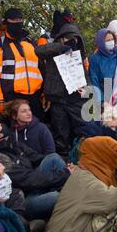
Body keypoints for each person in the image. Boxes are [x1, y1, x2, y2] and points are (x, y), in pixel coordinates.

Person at [35, 136, 117, 232]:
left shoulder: (89, 173)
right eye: (113, 153)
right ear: (101, 155)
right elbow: (109, 199)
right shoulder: (85, 180)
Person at [0, 118, 70, 221]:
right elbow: (28, 179)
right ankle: (71, 194)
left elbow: (36, 157)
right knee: (58, 197)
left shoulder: (11, 144)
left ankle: (71, 188)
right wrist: (65, 174)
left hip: (34, 186)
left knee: (53, 157)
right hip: (23, 199)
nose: (3, 125)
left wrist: (68, 163)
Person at [35, 23, 89, 157]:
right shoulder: (53, 52)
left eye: (75, 38)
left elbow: (85, 76)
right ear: (61, 38)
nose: (72, 41)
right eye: (68, 38)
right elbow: (38, 51)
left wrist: (87, 90)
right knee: (61, 134)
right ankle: (64, 160)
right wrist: (61, 47)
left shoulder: (79, 55)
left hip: (75, 100)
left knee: (82, 130)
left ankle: (81, 156)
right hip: (57, 99)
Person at [0, 8, 44, 119]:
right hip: (12, 97)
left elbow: (41, 68)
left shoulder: (30, 42)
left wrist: (44, 92)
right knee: (16, 131)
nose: (17, 23)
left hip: (35, 96)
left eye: (19, 20)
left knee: (37, 129)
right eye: (13, 20)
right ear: (6, 23)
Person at [89, 28, 117, 102]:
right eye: (107, 40)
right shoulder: (95, 58)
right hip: (105, 92)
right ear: (101, 42)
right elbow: (94, 79)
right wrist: (101, 100)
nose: (111, 42)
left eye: (112, 39)